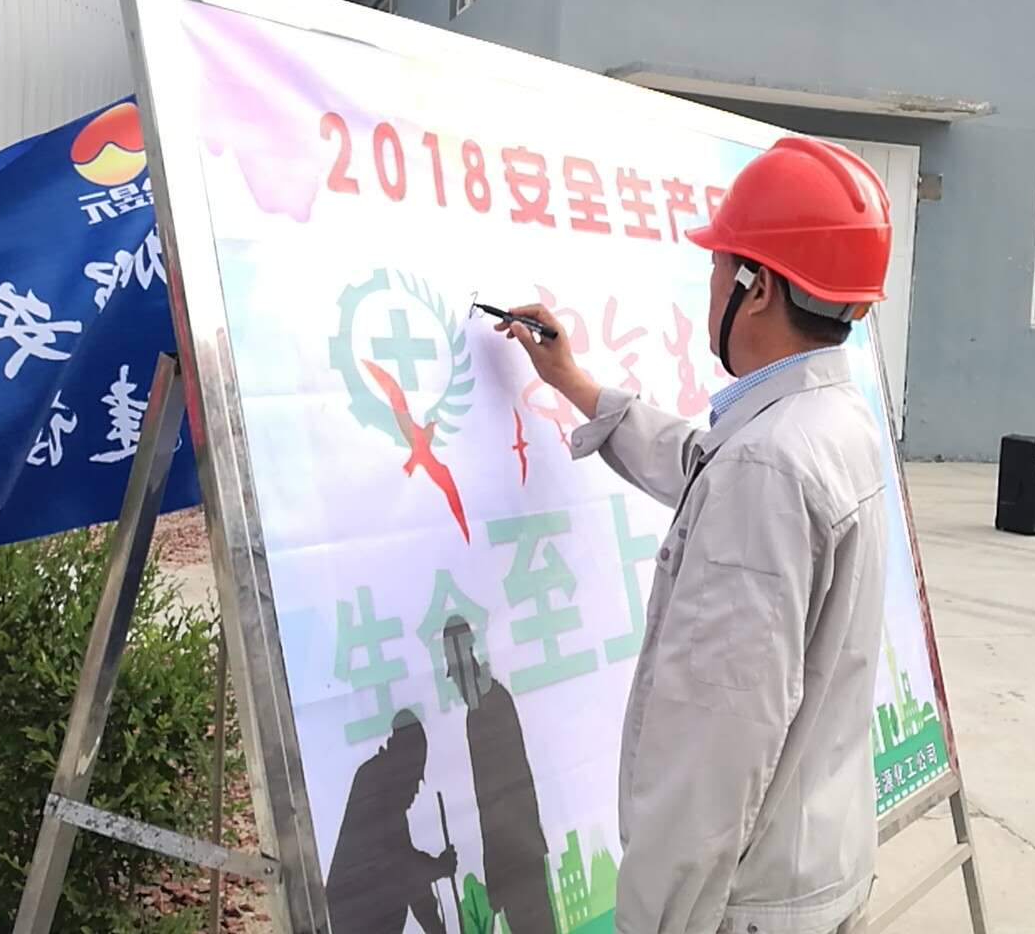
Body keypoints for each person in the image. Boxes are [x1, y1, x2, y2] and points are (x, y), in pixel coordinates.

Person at [497, 136, 893, 934]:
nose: (708, 284)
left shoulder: (768, 468)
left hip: (744, 909)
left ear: (757, 288)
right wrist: (574, 382)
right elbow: (703, 465)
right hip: (815, 868)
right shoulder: (828, 422)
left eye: (718, 265)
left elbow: (715, 748)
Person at [441, 615, 556, 934]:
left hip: (519, 858)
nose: (456, 684)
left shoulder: (491, 706)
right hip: (513, 861)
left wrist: (498, 873)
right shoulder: (479, 709)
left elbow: (503, 799)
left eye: (456, 673)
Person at [324, 710, 459, 934]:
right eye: (415, 779)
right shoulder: (372, 782)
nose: (416, 790)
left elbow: (415, 886)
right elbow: (401, 865)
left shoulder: (390, 802)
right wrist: (438, 867)